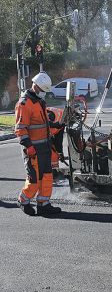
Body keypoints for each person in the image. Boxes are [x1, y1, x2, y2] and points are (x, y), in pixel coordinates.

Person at [15, 72, 62, 216]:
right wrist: (28, 147)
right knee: (34, 180)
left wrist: (57, 125)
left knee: (47, 176)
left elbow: (43, 124)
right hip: (33, 149)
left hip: (44, 148)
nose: (44, 94)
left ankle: (44, 204)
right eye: (43, 90)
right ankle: (23, 201)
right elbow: (20, 128)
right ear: (36, 86)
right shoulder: (25, 103)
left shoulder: (39, 101)